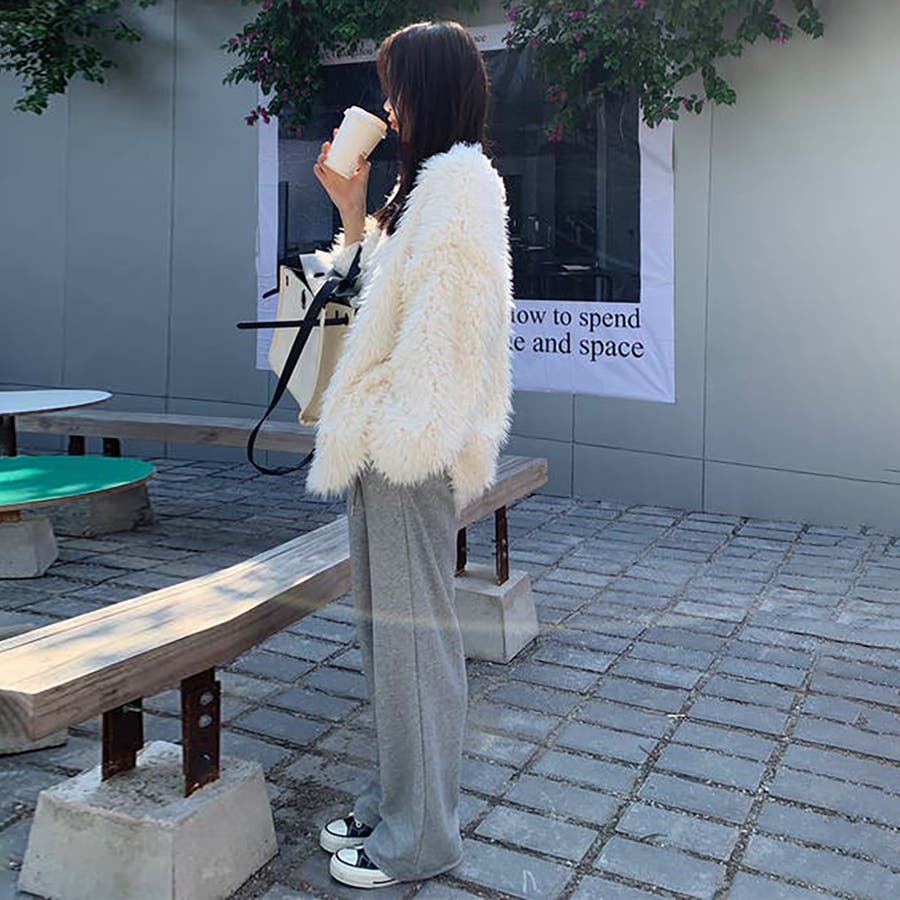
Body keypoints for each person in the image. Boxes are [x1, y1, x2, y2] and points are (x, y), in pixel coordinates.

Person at [305, 19, 514, 891]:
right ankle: (398, 800)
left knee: (414, 646)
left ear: (424, 90)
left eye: (394, 87)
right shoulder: (423, 187)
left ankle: (421, 835)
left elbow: (451, 338)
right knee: (387, 641)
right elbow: (369, 309)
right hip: (385, 445)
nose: (386, 106)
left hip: (406, 449)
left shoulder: (458, 186)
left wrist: (400, 436)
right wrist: (351, 212)